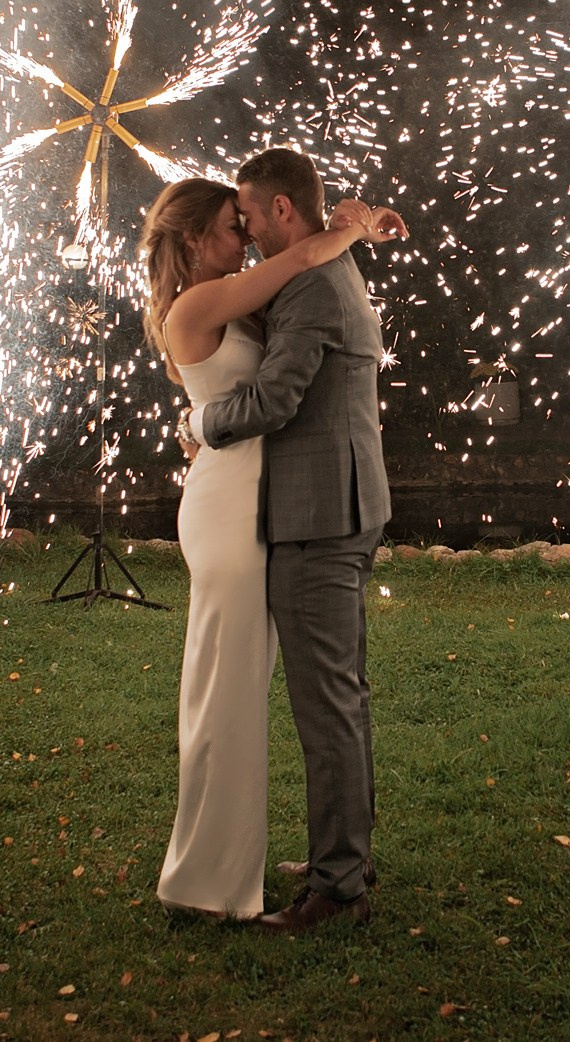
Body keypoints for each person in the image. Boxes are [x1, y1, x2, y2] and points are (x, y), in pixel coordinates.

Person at [140, 172, 402, 922]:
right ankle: (217, 873)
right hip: (232, 510)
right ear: (194, 239)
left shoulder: (283, 283)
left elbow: (292, 288)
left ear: (281, 206)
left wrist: (348, 222)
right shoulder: (209, 298)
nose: (245, 235)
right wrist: (352, 227)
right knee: (232, 691)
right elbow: (293, 263)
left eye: (248, 217)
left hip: (288, 507)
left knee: (305, 697)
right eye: (231, 226)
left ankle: (329, 866)